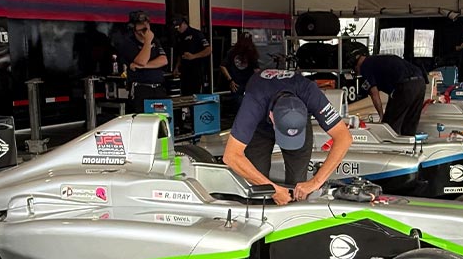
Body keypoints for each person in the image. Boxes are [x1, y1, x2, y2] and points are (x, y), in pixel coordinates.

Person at [222, 70, 353, 206]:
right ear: (272, 117)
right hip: (260, 124)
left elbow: (344, 137)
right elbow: (231, 156)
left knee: (299, 185)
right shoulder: (254, 101)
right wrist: (272, 189)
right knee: (257, 184)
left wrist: (315, 182)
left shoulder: (310, 92)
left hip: (297, 118)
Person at [354, 52, 426, 136]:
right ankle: (409, 146)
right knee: (410, 124)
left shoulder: (365, 66)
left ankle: (390, 147)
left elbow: (374, 94)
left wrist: (381, 115)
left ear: (356, 66)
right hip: (420, 82)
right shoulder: (378, 60)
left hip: (405, 85)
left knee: (389, 127)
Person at [116, 11, 169, 113]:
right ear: (134, 27)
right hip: (141, 89)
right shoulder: (128, 43)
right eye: (142, 24)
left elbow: (163, 60)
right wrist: (147, 41)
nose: (145, 26)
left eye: (147, 23)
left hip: (158, 88)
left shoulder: (155, 41)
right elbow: (141, 61)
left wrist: (144, 66)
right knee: (142, 120)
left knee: (161, 120)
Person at [172, 15, 211, 95]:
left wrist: (194, 56)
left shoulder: (196, 34)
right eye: (176, 28)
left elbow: (208, 50)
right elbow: (180, 54)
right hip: (184, 72)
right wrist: (176, 67)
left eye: (179, 27)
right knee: (185, 95)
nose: (178, 29)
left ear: (184, 23)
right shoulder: (178, 36)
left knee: (195, 95)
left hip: (196, 71)